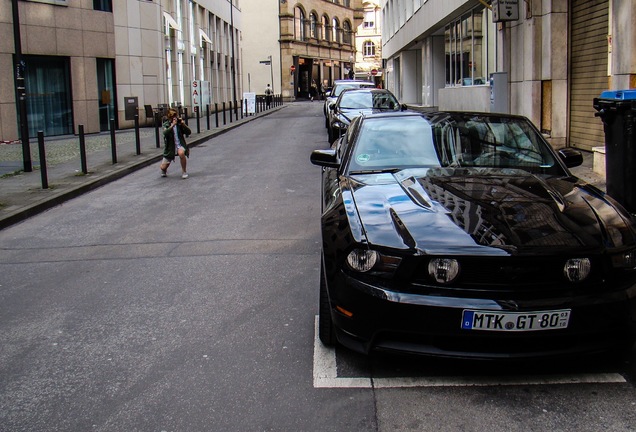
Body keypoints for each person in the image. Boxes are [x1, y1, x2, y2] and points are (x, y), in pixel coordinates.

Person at [160, 109, 191, 179]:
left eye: (175, 116)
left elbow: (189, 132)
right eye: (173, 117)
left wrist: (183, 124)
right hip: (170, 148)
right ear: (169, 117)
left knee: (181, 153)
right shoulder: (166, 124)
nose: (174, 118)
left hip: (179, 145)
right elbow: (165, 133)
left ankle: (184, 171)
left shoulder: (179, 124)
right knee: (163, 167)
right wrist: (172, 126)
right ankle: (164, 170)